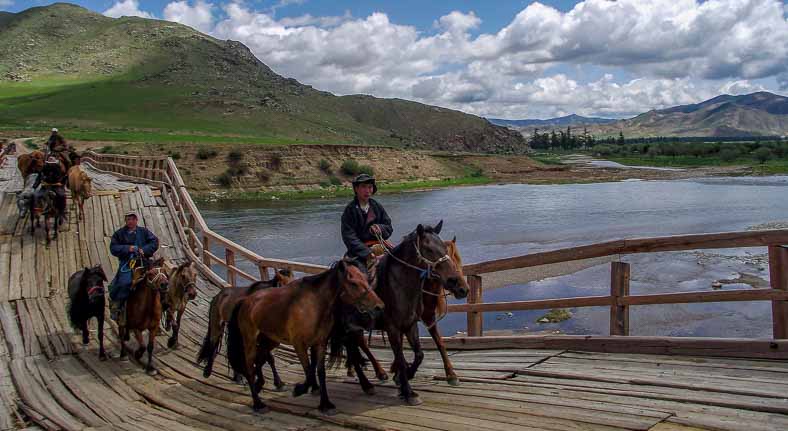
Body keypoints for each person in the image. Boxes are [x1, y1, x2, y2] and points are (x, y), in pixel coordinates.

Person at [341, 174, 393, 283]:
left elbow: (388, 226)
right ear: (356, 189)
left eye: (370, 187)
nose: (367, 190)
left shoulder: (377, 206)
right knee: (360, 279)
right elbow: (349, 237)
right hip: (358, 252)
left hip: (380, 247)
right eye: (364, 187)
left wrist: (380, 228)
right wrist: (368, 253)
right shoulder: (349, 210)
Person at [109, 211, 159, 323]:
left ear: (136, 220)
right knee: (124, 282)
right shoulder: (119, 234)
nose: (130, 221)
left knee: (160, 280)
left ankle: (163, 309)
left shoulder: (144, 232)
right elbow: (113, 248)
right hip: (127, 263)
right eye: (128, 219)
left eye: (133, 219)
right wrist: (128, 248)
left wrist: (144, 250)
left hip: (144, 261)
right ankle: (117, 305)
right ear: (126, 221)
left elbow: (155, 242)